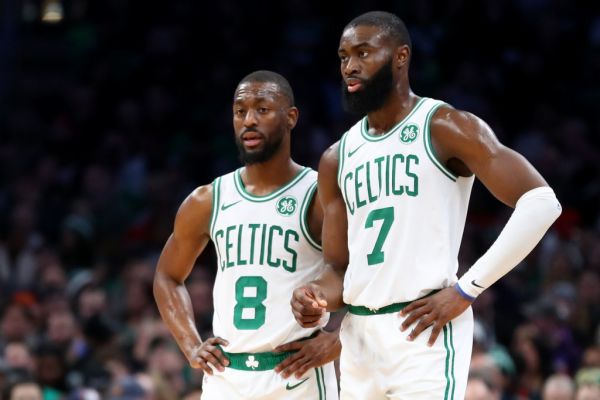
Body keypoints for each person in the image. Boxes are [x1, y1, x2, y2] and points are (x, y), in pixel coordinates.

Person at [291, 11, 562, 399]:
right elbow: (338, 268)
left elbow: (541, 203)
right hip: (358, 340)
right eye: (344, 56)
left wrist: (468, 288)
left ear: (401, 56)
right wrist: (314, 294)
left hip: (423, 333)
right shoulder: (337, 158)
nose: (350, 66)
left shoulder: (444, 126)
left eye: (364, 53)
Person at [153, 70, 339, 399]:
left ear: (291, 117)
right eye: (240, 112)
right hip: (227, 378)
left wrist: (339, 338)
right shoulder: (208, 199)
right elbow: (167, 276)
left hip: (298, 376)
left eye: (262, 110)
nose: (249, 120)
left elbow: (366, 272)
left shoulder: (318, 195)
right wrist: (191, 344)